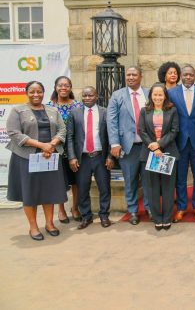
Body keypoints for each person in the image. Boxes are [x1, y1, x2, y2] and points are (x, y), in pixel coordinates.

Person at [6, 81, 67, 241]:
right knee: (30, 193)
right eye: (32, 91)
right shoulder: (18, 110)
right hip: (26, 158)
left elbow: (62, 130)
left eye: (39, 91)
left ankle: (49, 224)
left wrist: (52, 145)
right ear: (27, 92)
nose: (36, 95)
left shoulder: (53, 110)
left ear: (43, 92)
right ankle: (33, 227)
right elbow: (14, 133)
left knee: (50, 191)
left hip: (50, 157)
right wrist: (41, 145)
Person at [107, 66, 151, 225]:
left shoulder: (148, 94)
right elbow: (111, 121)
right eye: (128, 75)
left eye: (134, 75)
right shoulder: (117, 96)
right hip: (128, 147)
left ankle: (149, 208)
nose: (131, 77)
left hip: (147, 146)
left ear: (141, 76)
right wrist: (114, 143)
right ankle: (132, 211)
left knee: (149, 180)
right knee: (130, 181)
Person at [67, 86, 114, 229]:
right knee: (82, 189)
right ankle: (86, 217)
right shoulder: (74, 113)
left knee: (104, 188)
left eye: (90, 95)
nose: (87, 98)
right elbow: (70, 137)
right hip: (83, 158)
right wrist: (72, 157)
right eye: (85, 95)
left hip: (100, 156)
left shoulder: (105, 112)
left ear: (97, 96)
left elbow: (112, 136)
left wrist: (110, 156)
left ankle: (104, 215)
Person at [168, 64, 195, 222]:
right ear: (181, 76)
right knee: (181, 178)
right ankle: (181, 207)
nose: (188, 77)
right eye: (185, 75)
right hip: (179, 142)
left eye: (191, 75)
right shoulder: (172, 93)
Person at [138, 83, 180, 231]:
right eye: (155, 95)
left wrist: (159, 144)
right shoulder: (144, 111)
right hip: (150, 154)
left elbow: (174, 131)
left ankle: (167, 218)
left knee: (168, 188)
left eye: (160, 94)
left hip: (168, 152)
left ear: (165, 96)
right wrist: (153, 146)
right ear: (151, 96)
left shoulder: (172, 110)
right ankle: (157, 218)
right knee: (152, 188)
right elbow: (141, 131)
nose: (157, 97)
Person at [46, 76, 83, 223]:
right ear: (55, 87)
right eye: (60, 85)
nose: (63, 88)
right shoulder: (48, 106)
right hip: (57, 149)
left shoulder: (78, 106)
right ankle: (61, 210)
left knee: (76, 181)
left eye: (67, 85)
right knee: (60, 181)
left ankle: (75, 208)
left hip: (74, 149)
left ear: (70, 88)